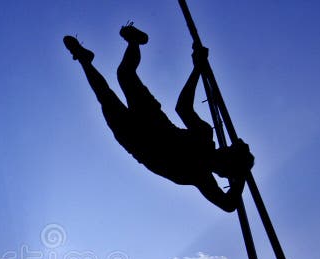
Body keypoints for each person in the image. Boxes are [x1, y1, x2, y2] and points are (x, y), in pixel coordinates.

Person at [63, 23, 254, 212]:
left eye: (230, 151)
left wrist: (242, 176)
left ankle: (84, 58)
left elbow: (228, 204)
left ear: (224, 170)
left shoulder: (201, 175)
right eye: (229, 148)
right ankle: (130, 43)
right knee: (124, 76)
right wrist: (197, 68)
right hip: (152, 122)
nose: (225, 148)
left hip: (137, 140)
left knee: (106, 94)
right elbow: (183, 108)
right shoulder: (204, 138)